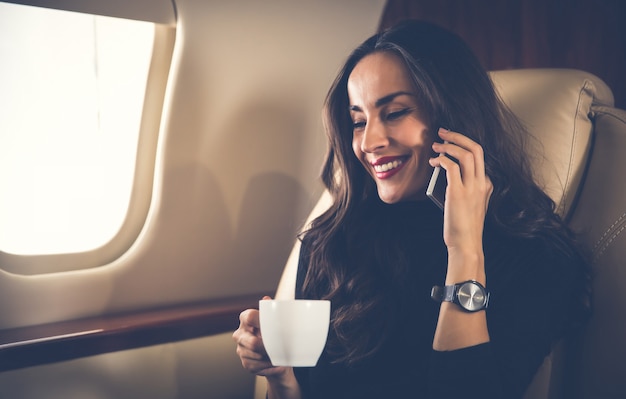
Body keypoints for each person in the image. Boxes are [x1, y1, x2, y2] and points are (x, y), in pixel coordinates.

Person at [233, 20, 590, 399]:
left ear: (451, 116)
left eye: (395, 112)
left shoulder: (537, 255)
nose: (369, 142)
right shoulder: (334, 238)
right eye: (358, 121)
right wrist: (281, 377)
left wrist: (464, 250)